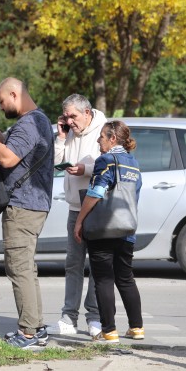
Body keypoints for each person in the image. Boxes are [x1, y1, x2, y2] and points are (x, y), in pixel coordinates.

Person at [0, 77, 54, 349]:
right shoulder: (36, 121)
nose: (1, 106)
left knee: (19, 269)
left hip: (23, 205)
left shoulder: (29, 123)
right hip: (32, 204)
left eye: (1, 101)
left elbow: (7, 158)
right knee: (27, 270)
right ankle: (37, 327)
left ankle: (29, 334)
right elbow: (11, 148)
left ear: (14, 94)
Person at [73, 120, 144, 343]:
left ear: (113, 138)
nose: (98, 139)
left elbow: (95, 192)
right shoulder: (133, 163)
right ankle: (137, 327)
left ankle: (109, 330)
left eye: (102, 136)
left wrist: (79, 221)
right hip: (126, 230)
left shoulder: (106, 161)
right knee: (125, 278)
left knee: (103, 279)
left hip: (104, 230)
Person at [48, 94, 107, 338]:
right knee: (73, 263)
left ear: (87, 112)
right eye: (66, 116)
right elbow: (54, 162)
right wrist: (61, 137)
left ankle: (94, 317)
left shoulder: (103, 130)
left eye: (74, 116)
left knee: (96, 264)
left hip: (96, 206)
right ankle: (68, 318)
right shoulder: (68, 132)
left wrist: (85, 169)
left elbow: (109, 164)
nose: (70, 121)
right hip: (74, 206)